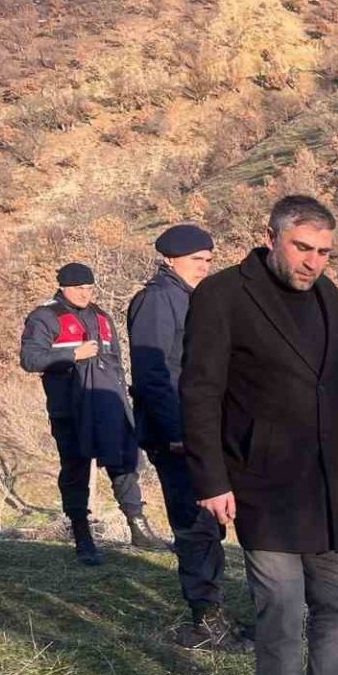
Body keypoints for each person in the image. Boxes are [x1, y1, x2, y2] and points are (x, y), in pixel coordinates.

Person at [180, 195, 338, 675]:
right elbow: (199, 392)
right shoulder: (222, 295)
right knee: (281, 611)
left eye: (324, 252)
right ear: (271, 238)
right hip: (261, 482)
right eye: (302, 248)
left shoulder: (329, 295)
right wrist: (211, 478)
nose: (313, 261)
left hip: (328, 481)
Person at [128, 224, 249, 649]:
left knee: (208, 523)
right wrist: (176, 432)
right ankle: (207, 621)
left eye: (209, 260)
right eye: (196, 259)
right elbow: (153, 374)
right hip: (178, 435)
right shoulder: (157, 300)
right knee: (195, 524)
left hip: (200, 431)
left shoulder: (193, 298)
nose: (204, 266)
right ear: (169, 259)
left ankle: (214, 611)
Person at [20, 263, 166, 565]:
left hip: (108, 402)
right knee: (75, 468)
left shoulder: (101, 316)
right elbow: (30, 359)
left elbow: (115, 360)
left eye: (89, 288)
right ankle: (82, 535)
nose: (85, 294)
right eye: (78, 289)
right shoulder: (44, 316)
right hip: (69, 408)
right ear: (63, 287)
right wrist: (72, 354)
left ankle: (138, 526)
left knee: (124, 462)